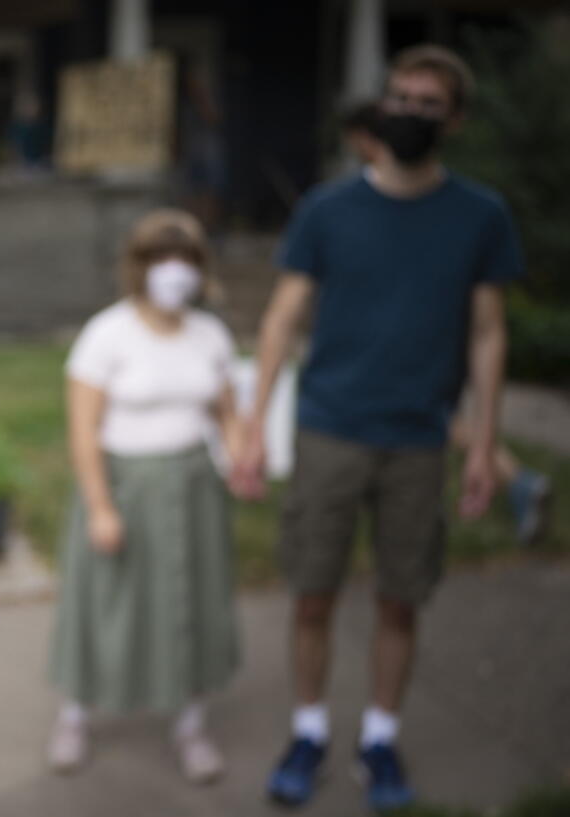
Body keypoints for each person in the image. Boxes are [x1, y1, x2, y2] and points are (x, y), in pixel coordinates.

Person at [234, 45, 524, 811]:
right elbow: (283, 315)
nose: (411, 112)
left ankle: (381, 739)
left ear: (453, 119)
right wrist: (256, 421)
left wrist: (486, 442)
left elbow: (489, 334)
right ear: (382, 105)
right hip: (332, 428)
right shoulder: (330, 209)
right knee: (311, 595)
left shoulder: (480, 215)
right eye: (401, 96)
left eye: (429, 103)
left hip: (420, 438)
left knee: (401, 597)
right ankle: (307, 731)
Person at [47, 209, 243, 784]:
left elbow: (228, 412)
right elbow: (83, 429)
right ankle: (74, 716)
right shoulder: (107, 333)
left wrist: (240, 454)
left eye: (185, 260)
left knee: (192, 603)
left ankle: (190, 726)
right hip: (125, 486)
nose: (175, 271)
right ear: (139, 267)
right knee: (107, 604)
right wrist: (102, 506)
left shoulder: (210, 334)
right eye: (162, 259)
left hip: (194, 490)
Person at [340, 102, 552, 546]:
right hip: (395, 365)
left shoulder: (449, 206)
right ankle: (519, 480)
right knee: (451, 424)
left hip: (411, 360)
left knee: (447, 424)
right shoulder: (360, 200)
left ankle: (517, 480)